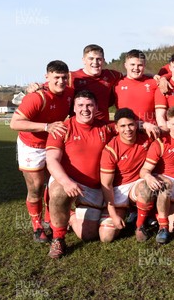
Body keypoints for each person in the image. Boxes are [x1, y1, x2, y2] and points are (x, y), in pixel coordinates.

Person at [45, 90, 115, 258]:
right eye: (81, 105)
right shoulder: (62, 128)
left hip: (92, 188)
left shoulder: (105, 127)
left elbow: (128, 126)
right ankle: (58, 238)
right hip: (69, 180)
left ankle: (69, 214)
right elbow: (51, 160)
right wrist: (66, 182)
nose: (85, 109)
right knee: (60, 191)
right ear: (74, 108)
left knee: (88, 235)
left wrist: (144, 125)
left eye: (90, 105)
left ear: (96, 107)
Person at [10, 60, 74, 243]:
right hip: (32, 146)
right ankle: (37, 227)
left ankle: (49, 219)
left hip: (53, 145)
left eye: (64, 77)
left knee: (52, 183)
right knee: (36, 187)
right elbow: (15, 123)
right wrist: (46, 126)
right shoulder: (37, 96)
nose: (61, 81)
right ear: (47, 77)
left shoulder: (69, 93)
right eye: (56, 77)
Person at [139, 105, 174, 244]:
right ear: (168, 124)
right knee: (170, 226)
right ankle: (162, 227)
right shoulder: (161, 143)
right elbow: (144, 170)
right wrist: (148, 176)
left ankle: (155, 214)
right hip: (166, 181)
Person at [99, 108, 153, 243]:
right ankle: (129, 212)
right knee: (106, 236)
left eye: (130, 125)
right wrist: (113, 215)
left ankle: (140, 225)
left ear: (136, 124)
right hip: (119, 190)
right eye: (122, 126)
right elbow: (106, 184)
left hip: (137, 185)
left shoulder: (146, 139)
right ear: (116, 128)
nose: (127, 129)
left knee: (146, 188)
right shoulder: (110, 150)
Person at [69, 44, 123, 121]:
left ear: (103, 60)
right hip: (79, 127)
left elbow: (129, 79)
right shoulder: (72, 77)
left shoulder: (112, 75)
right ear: (83, 60)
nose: (95, 62)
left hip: (102, 127)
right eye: (91, 59)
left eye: (99, 59)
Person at [114, 49, 160, 137]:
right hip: (126, 134)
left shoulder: (154, 83)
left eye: (140, 65)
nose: (136, 68)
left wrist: (163, 78)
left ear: (144, 66)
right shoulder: (116, 84)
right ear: (125, 65)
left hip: (150, 133)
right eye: (132, 64)